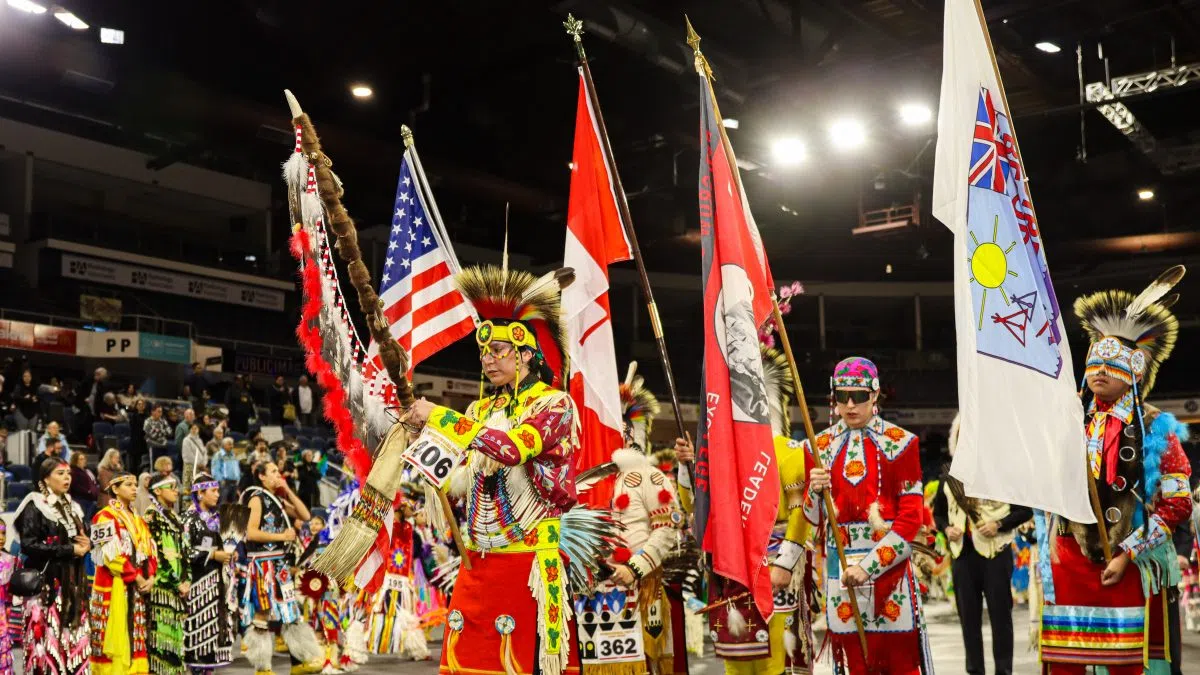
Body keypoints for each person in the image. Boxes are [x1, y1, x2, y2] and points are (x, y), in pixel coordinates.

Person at [400, 265, 616, 675]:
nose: (488, 359)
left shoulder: (554, 405)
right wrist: (421, 446)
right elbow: (459, 480)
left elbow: (512, 449)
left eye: (499, 351)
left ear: (526, 354)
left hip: (529, 562)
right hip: (477, 560)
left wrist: (441, 418)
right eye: (484, 352)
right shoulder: (480, 410)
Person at [1038, 269, 1193, 673]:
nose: (1100, 372)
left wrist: (1129, 554)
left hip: (1125, 564)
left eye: (1112, 365)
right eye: (1095, 364)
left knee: (1126, 665)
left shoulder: (1156, 427)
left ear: (1136, 372)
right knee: (1066, 664)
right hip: (1069, 562)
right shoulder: (1070, 423)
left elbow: (1177, 504)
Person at [678, 348, 814, 675]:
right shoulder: (724, 456)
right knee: (736, 659)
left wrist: (784, 564)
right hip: (732, 569)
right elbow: (697, 510)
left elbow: (800, 513)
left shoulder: (788, 452)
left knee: (776, 659)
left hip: (775, 568)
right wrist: (687, 468)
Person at [802, 357, 931, 674]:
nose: (849, 405)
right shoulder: (816, 447)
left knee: (900, 665)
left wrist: (869, 566)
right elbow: (814, 520)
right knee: (857, 666)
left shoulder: (902, 444)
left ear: (874, 395)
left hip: (890, 575)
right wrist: (813, 493)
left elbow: (911, 518)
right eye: (841, 396)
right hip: (841, 573)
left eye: (858, 396)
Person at [576, 365, 689, 675]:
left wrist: (634, 568)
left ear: (627, 431)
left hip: (639, 587)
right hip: (592, 595)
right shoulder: (583, 478)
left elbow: (666, 530)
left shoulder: (647, 475)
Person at [932, 414, 1031, 675]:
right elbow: (938, 513)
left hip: (995, 553)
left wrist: (999, 525)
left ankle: (1003, 671)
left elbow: (1025, 511)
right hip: (962, 555)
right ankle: (974, 670)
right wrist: (947, 528)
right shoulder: (949, 477)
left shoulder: (1004, 475)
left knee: (1001, 618)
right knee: (968, 620)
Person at [241, 461, 322, 675]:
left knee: (290, 610)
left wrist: (287, 491)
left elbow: (305, 516)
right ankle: (262, 667)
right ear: (261, 476)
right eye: (274, 471)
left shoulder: (278, 499)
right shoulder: (256, 498)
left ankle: (300, 662)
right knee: (263, 611)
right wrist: (281, 536)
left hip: (280, 564)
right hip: (262, 563)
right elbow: (251, 533)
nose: (279, 474)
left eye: (279, 471)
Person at [14, 457, 91, 674]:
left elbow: (81, 538)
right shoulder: (35, 504)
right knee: (47, 644)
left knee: (72, 640)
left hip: (73, 583)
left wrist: (86, 543)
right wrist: (69, 550)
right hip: (48, 587)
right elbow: (29, 545)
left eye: (68, 473)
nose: (67, 477)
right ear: (45, 478)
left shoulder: (73, 506)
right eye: (60, 473)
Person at [89, 470, 157, 675]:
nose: (134, 488)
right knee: (114, 636)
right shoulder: (103, 517)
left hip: (137, 588)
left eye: (135, 484)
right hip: (114, 586)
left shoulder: (139, 520)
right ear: (115, 490)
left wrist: (151, 576)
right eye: (128, 484)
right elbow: (111, 557)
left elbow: (150, 551)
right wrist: (136, 576)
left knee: (135, 636)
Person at [183, 472, 240, 673]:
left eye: (217, 490)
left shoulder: (216, 519)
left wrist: (229, 556)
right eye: (213, 491)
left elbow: (222, 547)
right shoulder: (189, 519)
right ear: (200, 494)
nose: (217, 495)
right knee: (200, 634)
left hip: (217, 584)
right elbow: (184, 552)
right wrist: (213, 555)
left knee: (215, 634)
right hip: (199, 586)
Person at [365, 501, 429, 659]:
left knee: (407, 610)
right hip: (387, 575)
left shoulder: (407, 527)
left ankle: (414, 648)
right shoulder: (388, 525)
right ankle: (372, 642)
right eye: (410, 508)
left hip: (404, 576)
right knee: (381, 609)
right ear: (401, 507)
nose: (413, 511)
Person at [144, 474, 190, 675]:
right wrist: (175, 581)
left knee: (176, 638)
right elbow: (157, 555)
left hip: (178, 587)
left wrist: (186, 579)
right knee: (161, 639)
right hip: (162, 587)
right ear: (157, 491)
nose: (176, 491)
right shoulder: (151, 516)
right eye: (171, 486)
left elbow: (185, 551)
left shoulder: (175, 517)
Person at [0, 520, 17, 675]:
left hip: (3, 616)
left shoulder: (8, 559)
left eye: (3, 533)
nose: (1, 537)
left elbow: (9, 592)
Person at [67, 450, 100, 522]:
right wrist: (88, 492)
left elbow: (94, 482)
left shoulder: (87, 470)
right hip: (80, 500)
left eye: (84, 458)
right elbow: (75, 486)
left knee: (88, 520)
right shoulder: (73, 472)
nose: (84, 460)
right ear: (75, 460)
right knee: (82, 520)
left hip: (91, 500)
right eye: (81, 459)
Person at [210, 437, 241, 504]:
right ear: (224, 445)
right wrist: (220, 480)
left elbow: (237, 468)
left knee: (233, 504)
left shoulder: (234, 455)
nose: (231, 446)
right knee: (222, 503)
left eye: (232, 444)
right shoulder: (218, 455)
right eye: (229, 444)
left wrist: (238, 478)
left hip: (234, 483)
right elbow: (215, 470)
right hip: (224, 483)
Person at [143, 404, 171, 470]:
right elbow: (153, 435)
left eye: (161, 411)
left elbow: (169, 432)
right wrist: (162, 432)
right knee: (155, 466)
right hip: (153, 446)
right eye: (158, 411)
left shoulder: (163, 421)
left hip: (164, 446)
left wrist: (158, 431)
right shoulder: (148, 422)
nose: (160, 413)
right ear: (153, 412)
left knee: (164, 465)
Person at [181, 423, 207, 492]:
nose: (194, 430)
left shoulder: (200, 440)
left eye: (196, 428)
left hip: (200, 468)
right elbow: (188, 455)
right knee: (189, 488)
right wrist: (198, 463)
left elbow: (204, 453)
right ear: (189, 430)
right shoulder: (186, 440)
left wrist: (204, 463)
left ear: (198, 430)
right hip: (191, 467)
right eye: (192, 428)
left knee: (199, 488)